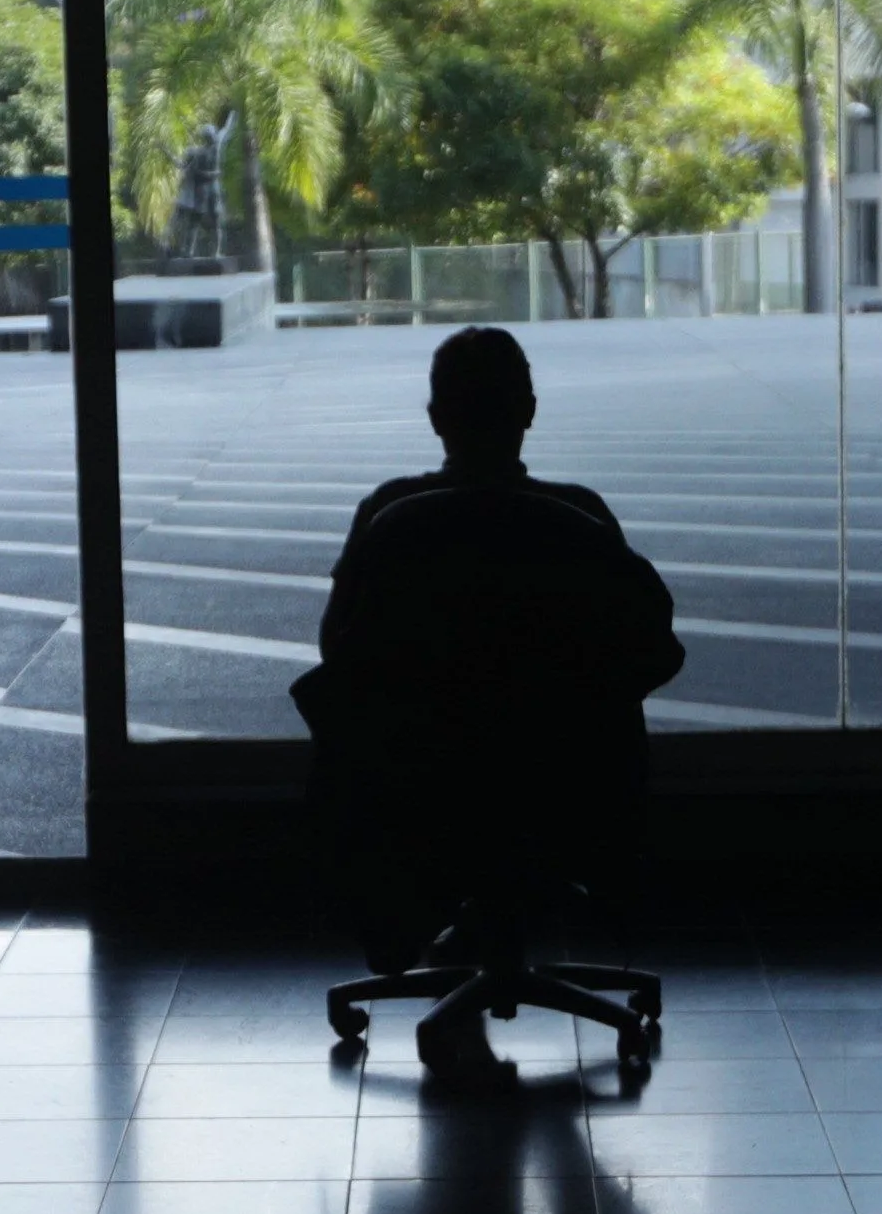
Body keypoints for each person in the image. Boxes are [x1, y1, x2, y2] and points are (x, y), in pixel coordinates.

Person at [292, 326, 685, 1070]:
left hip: (420, 790)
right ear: (528, 410)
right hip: (563, 789)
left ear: (436, 416)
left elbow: (337, 652)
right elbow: (653, 650)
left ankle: (429, 917)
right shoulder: (580, 518)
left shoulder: (393, 515)